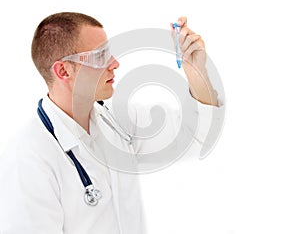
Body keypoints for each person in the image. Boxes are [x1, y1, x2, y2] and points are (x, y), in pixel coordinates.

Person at [0, 12, 222, 234]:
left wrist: (196, 71)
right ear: (63, 71)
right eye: (100, 56)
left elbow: (196, 137)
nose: (115, 63)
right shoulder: (29, 159)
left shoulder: (116, 121)